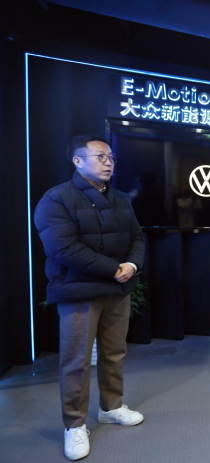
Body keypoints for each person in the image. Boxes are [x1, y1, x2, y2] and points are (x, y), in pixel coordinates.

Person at [34, 135, 146, 461]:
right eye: (100, 156)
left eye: (111, 157)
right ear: (78, 161)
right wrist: (114, 269)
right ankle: (74, 424)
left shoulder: (121, 198)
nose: (108, 162)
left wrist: (132, 265)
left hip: (117, 289)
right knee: (76, 362)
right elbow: (64, 249)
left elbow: (137, 237)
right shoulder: (56, 198)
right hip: (78, 291)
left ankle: (111, 407)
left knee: (114, 353)